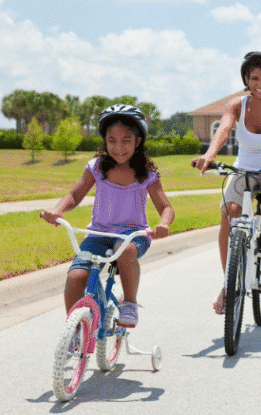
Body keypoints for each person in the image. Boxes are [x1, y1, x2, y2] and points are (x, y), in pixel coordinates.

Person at [191, 51, 261, 314]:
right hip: (244, 167)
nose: (260, 84)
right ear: (246, 78)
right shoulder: (237, 105)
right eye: (254, 78)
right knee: (229, 213)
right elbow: (223, 130)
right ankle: (228, 285)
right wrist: (209, 156)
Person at [41, 104, 175, 328]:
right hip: (98, 234)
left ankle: (130, 303)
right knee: (76, 278)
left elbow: (166, 207)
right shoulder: (97, 167)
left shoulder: (147, 173)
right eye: (111, 140)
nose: (118, 147)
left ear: (138, 141)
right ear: (104, 141)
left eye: (126, 140)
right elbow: (75, 194)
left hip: (133, 236)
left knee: (124, 248)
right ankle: (73, 331)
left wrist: (163, 224)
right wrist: (58, 210)